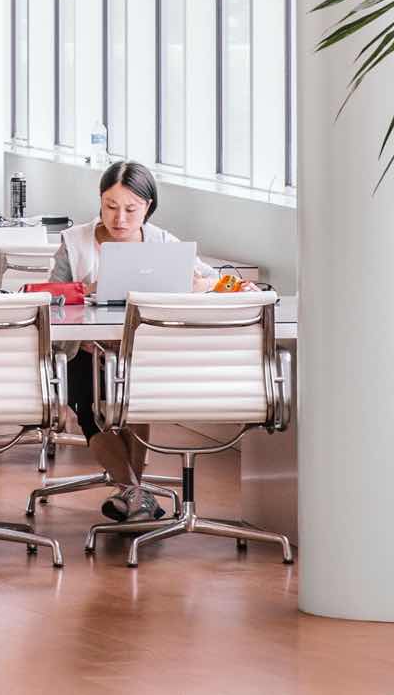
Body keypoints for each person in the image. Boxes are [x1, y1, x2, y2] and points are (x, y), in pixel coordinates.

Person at [51, 160, 251, 522]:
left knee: (135, 394)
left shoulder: (163, 243)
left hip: (145, 356)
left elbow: (216, 281)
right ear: (99, 201)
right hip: (85, 353)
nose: (120, 219)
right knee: (85, 395)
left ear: (148, 207)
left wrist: (200, 284)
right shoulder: (74, 242)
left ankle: (132, 493)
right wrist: (87, 289)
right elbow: (51, 296)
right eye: (110, 207)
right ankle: (135, 492)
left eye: (131, 209)